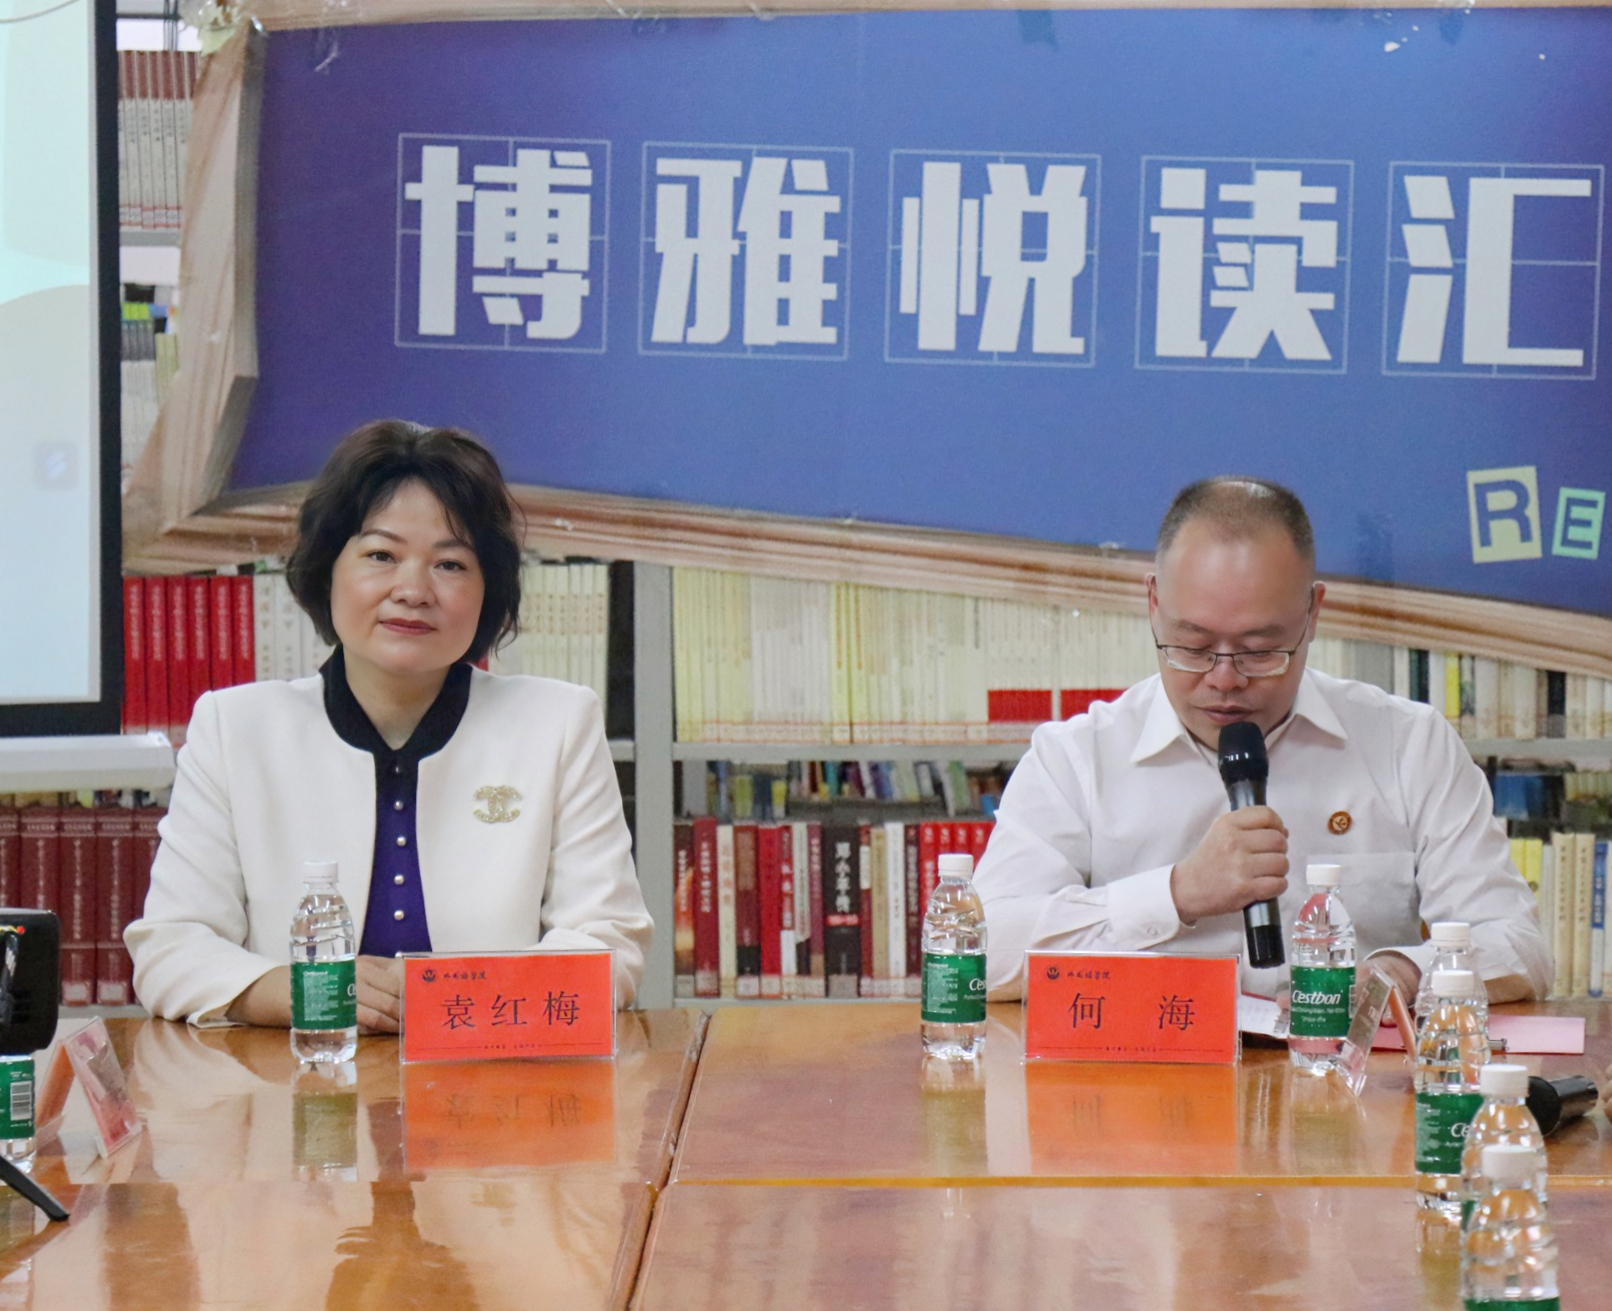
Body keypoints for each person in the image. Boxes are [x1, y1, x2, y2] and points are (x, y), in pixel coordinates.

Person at [127, 420, 653, 1027]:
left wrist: (453, 997)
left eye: (450, 564)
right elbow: (171, 948)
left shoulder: (557, 724)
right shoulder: (235, 728)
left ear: (488, 591)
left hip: (494, 1072)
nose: (413, 590)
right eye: (381, 555)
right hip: (297, 1075)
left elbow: (609, 945)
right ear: (328, 569)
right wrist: (307, 992)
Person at [974, 476, 1551, 1004]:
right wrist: (1176, 894)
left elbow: (1517, 942)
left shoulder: (1408, 745)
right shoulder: (1076, 758)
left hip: (1342, 1072)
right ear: (1154, 604)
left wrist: (1402, 973)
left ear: (1312, 614)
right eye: (1193, 646)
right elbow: (981, 949)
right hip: (1144, 1074)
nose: (1225, 679)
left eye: (1259, 651)